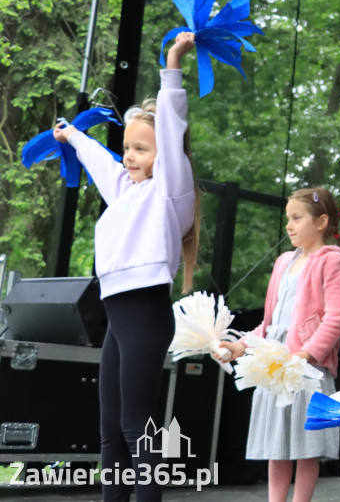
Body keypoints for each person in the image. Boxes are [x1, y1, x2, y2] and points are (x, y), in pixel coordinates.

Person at [54, 31, 200, 502]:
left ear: (165, 156)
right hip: (118, 313)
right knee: (110, 428)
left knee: (139, 424)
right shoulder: (125, 190)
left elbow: (172, 128)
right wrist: (72, 134)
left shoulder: (170, 193)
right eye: (128, 148)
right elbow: (100, 161)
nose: (129, 157)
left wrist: (173, 65)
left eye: (141, 149)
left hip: (144, 311)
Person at [221, 187, 340, 502]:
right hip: (275, 365)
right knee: (277, 443)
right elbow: (269, 324)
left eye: (297, 218)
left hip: (306, 368)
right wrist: (241, 345)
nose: (289, 226)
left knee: (305, 446)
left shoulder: (334, 261)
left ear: (322, 221)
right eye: (288, 219)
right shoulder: (284, 261)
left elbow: (337, 317)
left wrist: (307, 353)